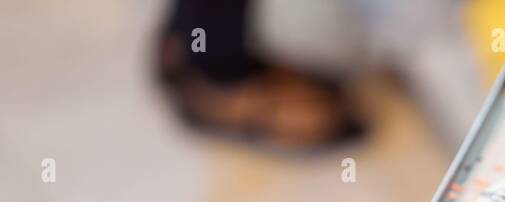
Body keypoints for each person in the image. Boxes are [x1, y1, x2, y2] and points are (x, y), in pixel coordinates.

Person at [155, 0, 366, 149]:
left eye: (273, 107)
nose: (293, 95)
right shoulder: (210, 57)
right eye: (312, 96)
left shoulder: (214, 63)